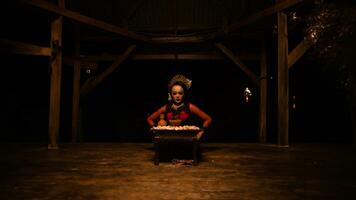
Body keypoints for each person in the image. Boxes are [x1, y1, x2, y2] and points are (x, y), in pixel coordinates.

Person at [147, 74, 212, 140]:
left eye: (180, 93)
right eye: (174, 93)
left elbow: (208, 119)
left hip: (187, 140)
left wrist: (201, 132)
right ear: (171, 94)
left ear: (184, 94)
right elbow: (150, 119)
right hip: (169, 140)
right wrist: (155, 128)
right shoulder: (166, 107)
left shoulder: (190, 107)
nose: (177, 96)